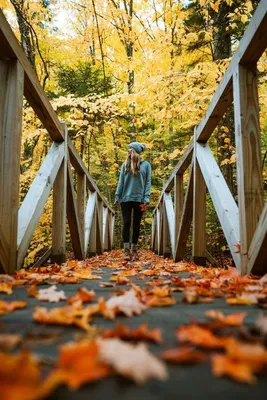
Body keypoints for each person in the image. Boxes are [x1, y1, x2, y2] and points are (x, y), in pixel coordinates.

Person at [115, 141, 152, 261]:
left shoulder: (146, 165)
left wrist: (146, 198)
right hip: (125, 198)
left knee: (136, 225)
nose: (128, 151)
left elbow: (148, 183)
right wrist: (117, 196)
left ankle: (134, 249)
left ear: (134, 151)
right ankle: (126, 250)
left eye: (129, 149)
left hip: (140, 199)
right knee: (126, 223)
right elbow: (121, 182)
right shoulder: (125, 165)